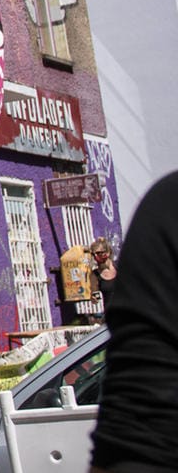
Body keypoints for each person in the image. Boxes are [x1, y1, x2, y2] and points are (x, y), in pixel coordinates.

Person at [92, 171, 178, 473]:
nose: (99, 256)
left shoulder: (167, 205)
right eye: (95, 253)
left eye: (102, 251)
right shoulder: (167, 206)